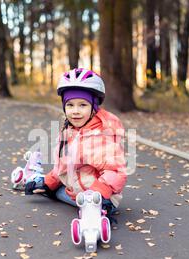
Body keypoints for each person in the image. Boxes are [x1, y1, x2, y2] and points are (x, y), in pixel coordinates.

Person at [25, 68, 127, 222]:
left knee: (80, 202)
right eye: (70, 105)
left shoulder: (100, 136)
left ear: (94, 107)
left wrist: (98, 194)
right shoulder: (69, 131)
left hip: (101, 197)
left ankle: (99, 214)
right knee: (50, 191)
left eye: (83, 105)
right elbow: (63, 166)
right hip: (75, 193)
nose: (75, 111)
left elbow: (117, 171)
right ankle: (37, 177)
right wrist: (48, 183)